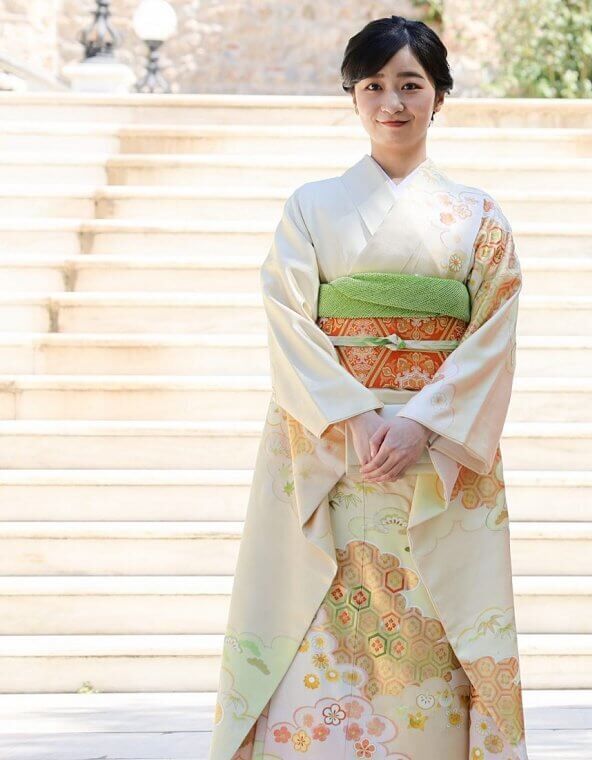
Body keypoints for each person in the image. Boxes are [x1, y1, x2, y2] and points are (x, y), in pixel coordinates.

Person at [209, 16, 526, 760]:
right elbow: (288, 314)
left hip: (434, 450)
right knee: (320, 616)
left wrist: (421, 423)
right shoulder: (311, 206)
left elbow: (494, 330)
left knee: (435, 616)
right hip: (332, 449)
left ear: (439, 95)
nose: (393, 103)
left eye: (411, 85)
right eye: (374, 86)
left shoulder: (477, 215)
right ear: (352, 96)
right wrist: (354, 417)